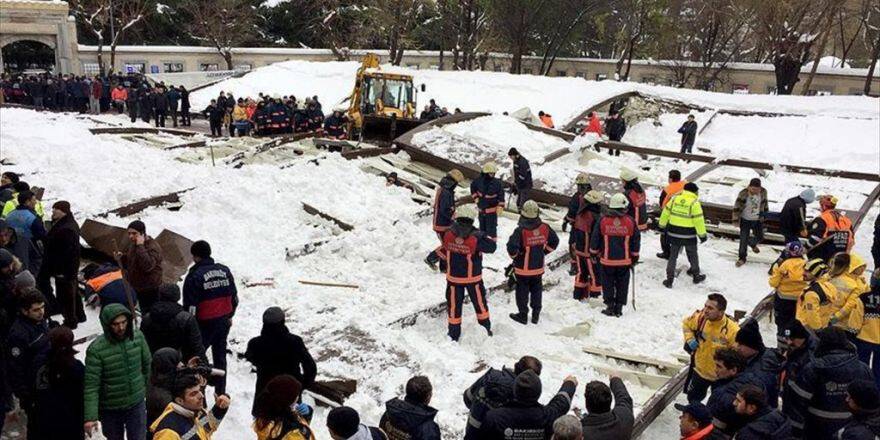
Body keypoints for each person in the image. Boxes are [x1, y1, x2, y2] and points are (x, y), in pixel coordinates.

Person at [788, 327, 873, 440]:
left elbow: (797, 403)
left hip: (816, 429)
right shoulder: (864, 369)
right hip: (851, 430)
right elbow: (871, 402)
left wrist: (796, 433)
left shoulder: (812, 369)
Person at [426, 206, 495, 341]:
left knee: (454, 307)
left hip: (454, 279)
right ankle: (485, 328)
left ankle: (453, 334)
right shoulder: (477, 237)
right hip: (473, 279)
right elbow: (492, 247)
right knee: (480, 304)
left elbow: (444, 249)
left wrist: (432, 257)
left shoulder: (448, 234)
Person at [84, 303, 151, 440]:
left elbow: (147, 366)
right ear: (107, 325)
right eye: (115, 324)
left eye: (124, 322)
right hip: (110, 408)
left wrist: (142, 389)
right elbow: (91, 385)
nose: (121, 327)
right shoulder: (96, 350)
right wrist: (90, 417)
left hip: (136, 403)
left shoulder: (137, 338)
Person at [183, 240, 236, 395]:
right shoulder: (224, 271)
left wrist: (190, 326)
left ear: (195, 256)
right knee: (220, 357)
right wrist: (229, 315)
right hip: (223, 322)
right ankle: (221, 392)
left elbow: (190, 306)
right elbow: (234, 298)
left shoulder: (194, 276)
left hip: (203, 325)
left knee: (196, 359)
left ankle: (197, 391)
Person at [244, 306, 317, 414]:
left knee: (262, 429)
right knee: (290, 428)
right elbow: (310, 367)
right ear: (283, 321)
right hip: (290, 395)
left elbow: (250, 359)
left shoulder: (255, 344)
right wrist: (300, 385)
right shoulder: (295, 342)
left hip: (264, 397)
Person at [462, 355, 543, 440]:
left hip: (471, 434)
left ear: (515, 366)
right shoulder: (521, 397)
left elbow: (467, 398)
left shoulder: (491, 376)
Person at [6, 289, 50, 440]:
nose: (41, 312)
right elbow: (15, 368)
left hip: (45, 381)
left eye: (42, 307)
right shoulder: (18, 335)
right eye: (36, 310)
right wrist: (25, 396)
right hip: (32, 390)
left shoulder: (40, 322)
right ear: (25, 311)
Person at [479, 371, 577, 439]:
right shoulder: (548, 417)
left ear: (514, 391)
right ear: (539, 393)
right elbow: (561, 403)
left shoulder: (494, 418)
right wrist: (570, 383)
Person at [507, 200, 559, 325]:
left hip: (523, 270)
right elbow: (555, 241)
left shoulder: (520, 231)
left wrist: (516, 257)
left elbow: (511, 248)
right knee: (537, 290)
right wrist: (543, 252)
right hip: (538, 268)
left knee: (522, 291)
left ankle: (523, 315)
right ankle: (536, 315)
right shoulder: (545, 228)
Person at [682, 293, 740, 403]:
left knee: (716, 404)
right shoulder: (700, 318)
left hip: (719, 377)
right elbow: (686, 324)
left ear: (721, 312)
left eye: (710, 308)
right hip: (700, 371)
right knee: (693, 399)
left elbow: (736, 357)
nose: (705, 310)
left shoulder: (732, 331)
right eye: (705, 306)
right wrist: (689, 339)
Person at [590, 193, 640, 317]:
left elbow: (595, 238)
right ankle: (619, 307)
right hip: (625, 261)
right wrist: (635, 256)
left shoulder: (603, 220)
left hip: (607, 261)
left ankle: (610, 306)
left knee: (607, 283)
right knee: (622, 284)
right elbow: (635, 240)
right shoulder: (630, 221)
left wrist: (593, 252)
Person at [35, 326, 85, 440]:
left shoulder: (40, 364)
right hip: (71, 422)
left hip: (46, 421)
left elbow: (35, 389)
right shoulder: (77, 368)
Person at [40, 200, 83, 328]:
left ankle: (70, 321)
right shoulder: (66, 223)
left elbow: (67, 254)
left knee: (66, 296)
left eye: (56, 209)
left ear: (63, 211)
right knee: (73, 293)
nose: (53, 211)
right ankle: (80, 315)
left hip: (63, 270)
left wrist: (61, 271)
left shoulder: (66, 229)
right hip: (67, 269)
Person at [149, 373, 230, 440]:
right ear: (179, 401)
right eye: (193, 394)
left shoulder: (194, 412)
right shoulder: (169, 432)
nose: (201, 396)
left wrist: (219, 409)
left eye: (200, 390)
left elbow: (206, 428)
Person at [141, 283, 206, 362]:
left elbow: (143, 344)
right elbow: (196, 346)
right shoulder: (186, 319)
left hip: (156, 363)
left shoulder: (147, 318)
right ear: (178, 297)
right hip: (181, 364)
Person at [659, 182, 707, 287]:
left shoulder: (674, 199)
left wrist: (661, 225)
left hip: (674, 233)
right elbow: (698, 220)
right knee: (693, 254)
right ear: (694, 191)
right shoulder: (694, 203)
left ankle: (669, 279)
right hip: (688, 235)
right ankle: (696, 275)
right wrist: (702, 235)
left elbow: (665, 213)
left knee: (673, 256)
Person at [706, 348, 764, 434]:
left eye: (719, 366)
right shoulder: (755, 381)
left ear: (733, 370)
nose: (715, 370)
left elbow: (711, 423)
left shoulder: (721, 395)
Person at [116, 220, 163, 313]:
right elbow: (132, 260)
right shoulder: (134, 244)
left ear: (142, 233)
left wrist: (140, 246)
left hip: (150, 288)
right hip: (138, 286)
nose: (130, 236)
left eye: (134, 233)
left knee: (151, 313)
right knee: (144, 310)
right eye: (129, 233)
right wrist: (122, 257)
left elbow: (148, 266)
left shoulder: (153, 247)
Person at [779, 320, 816, 435]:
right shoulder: (797, 346)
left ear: (801, 337)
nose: (789, 342)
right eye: (787, 339)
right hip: (789, 395)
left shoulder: (811, 356)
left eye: (792, 339)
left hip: (801, 404)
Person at [734, 319, 782, 408]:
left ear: (751, 346)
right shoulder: (753, 357)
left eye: (741, 344)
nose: (737, 347)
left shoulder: (761, 372)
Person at [844, 269, 880, 384]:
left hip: (864, 339)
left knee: (861, 370)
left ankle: (860, 393)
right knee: (878, 373)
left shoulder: (863, 297)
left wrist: (850, 336)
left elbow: (855, 320)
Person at [253, 375, 316, 440]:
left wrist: (307, 413)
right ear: (286, 401)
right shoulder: (291, 432)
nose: (298, 398)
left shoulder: (268, 415)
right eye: (296, 395)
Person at [768, 241, 807, 341]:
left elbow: (773, 283)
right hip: (800, 300)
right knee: (794, 322)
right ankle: (793, 342)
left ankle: (782, 343)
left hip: (783, 300)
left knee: (782, 323)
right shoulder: (806, 265)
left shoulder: (783, 265)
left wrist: (775, 271)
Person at [4, 190, 46, 277]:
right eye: (34, 200)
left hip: (9, 250)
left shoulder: (10, 215)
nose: (35, 202)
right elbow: (41, 236)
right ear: (27, 201)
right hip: (28, 253)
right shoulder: (32, 218)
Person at [571, 190, 603, 301]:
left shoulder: (580, 213)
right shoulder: (595, 217)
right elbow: (597, 236)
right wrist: (596, 251)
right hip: (590, 253)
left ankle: (578, 295)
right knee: (595, 275)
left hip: (579, 251)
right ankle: (595, 297)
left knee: (581, 273)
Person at [147, 348, 186, 428]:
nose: (181, 364)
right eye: (176, 362)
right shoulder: (163, 398)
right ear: (168, 366)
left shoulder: (157, 383)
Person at [733, 178, 768, 267]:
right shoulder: (743, 193)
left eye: (757, 190)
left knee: (760, 237)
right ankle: (742, 258)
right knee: (743, 240)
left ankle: (752, 244)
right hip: (745, 220)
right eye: (752, 189)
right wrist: (736, 220)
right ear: (749, 187)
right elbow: (737, 207)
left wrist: (764, 215)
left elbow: (765, 203)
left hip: (757, 220)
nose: (754, 191)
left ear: (760, 188)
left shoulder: (763, 192)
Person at [796, 258, 838, 330]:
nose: (803, 273)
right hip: (824, 324)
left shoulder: (811, 293)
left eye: (808, 271)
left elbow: (812, 315)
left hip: (808, 329)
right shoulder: (829, 286)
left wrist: (817, 330)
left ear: (818, 274)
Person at [809, 195, 855, 261]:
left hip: (823, 257)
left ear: (824, 206)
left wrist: (804, 249)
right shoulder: (846, 220)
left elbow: (815, 239)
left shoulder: (822, 218)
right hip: (841, 257)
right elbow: (852, 240)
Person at [828, 252, 868, 328]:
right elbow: (850, 305)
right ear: (853, 267)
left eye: (864, 266)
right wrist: (836, 317)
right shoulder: (852, 284)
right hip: (840, 320)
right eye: (860, 266)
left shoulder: (861, 281)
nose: (863, 269)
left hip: (840, 318)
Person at [428, 169, 465, 243]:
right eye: (456, 183)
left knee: (448, 244)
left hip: (443, 224)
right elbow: (445, 209)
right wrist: (454, 216)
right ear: (453, 182)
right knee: (447, 245)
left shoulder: (445, 190)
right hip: (442, 225)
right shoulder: (446, 192)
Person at [471, 161, 505, 240]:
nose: (492, 175)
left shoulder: (497, 183)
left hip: (492, 212)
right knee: (482, 227)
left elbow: (501, 195)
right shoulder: (477, 181)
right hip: (481, 210)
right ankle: (482, 241)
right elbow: (473, 188)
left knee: (491, 228)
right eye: (491, 173)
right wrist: (476, 198)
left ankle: (492, 243)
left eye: (493, 173)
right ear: (485, 173)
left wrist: (501, 206)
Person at [657, 170, 687, 259]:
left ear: (670, 179)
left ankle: (666, 253)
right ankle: (677, 249)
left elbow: (662, 203)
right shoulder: (686, 185)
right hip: (684, 214)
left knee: (664, 235)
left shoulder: (667, 189)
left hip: (670, 216)